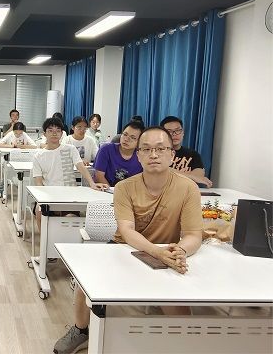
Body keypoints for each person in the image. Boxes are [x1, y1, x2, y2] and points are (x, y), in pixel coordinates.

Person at [53, 126, 203, 354]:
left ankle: (184, 345)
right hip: (123, 248)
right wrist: (157, 252)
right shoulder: (124, 187)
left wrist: (179, 251)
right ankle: (81, 330)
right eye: (147, 149)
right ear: (138, 155)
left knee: (178, 307)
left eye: (161, 149)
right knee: (86, 282)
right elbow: (126, 230)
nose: (154, 155)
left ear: (172, 154)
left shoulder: (188, 188)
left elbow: (193, 234)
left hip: (166, 253)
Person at [32, 117, 108, 236]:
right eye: (50, 130)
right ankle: (44, 243)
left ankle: (64, 242)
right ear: (44, 134)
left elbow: (80, 167)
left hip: (69, 195)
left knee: (70, 218)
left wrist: (92, 183)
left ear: (62, 133)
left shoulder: (70, 149)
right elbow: (38, 181)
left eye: (58, 130)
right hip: (49, 195)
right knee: (40, 212)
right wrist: (42, 200)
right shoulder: (38, 155)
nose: (54, 133)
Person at [160, 116, 213, 187]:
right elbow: (162, 172)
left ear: (183, 133)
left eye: (178, 130)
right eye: (169, 131)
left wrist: (173, 172)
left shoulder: (193, 155)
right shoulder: (158, 153)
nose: (174, 134)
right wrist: (191, 176)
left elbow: (198, 178)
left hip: (186, 191)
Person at [94, 119, 144, 186]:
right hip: (105, 190)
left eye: (132, 137)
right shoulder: (106, 149)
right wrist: (112, 191)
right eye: (125, 134)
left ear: (140, 142)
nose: (126, 139)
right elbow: (99, 176)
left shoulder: (141, 156)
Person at [0, 122, 37, 198]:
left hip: (23, 159)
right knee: (8, 173)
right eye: (16, 133)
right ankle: (0, 190)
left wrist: (24, 146)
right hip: (11, 158)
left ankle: (27, 192)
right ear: (13, 131)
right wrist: (12, 146)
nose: (18, 135)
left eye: (20, 133)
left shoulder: (24, 135)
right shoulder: (10, 134)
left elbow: (34, 146)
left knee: (28, 174)